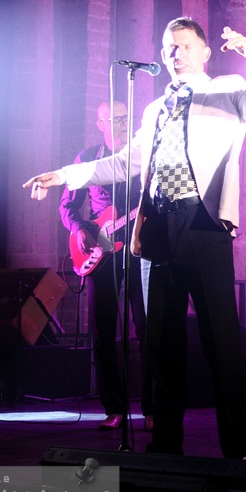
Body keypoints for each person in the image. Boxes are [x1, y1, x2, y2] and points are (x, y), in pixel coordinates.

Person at [23, 17, 246, 458]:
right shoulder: (154, 109)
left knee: (220, 341)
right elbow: (123, 163)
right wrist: (63, 176)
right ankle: (165, 450)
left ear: (204, 52)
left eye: (184, 46)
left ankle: (235, 454)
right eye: (169, 48)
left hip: (203, 225)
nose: (176, 54)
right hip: (157, 230)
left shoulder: (226, 88)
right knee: (160, 344)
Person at [59, 99, 152, 431]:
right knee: (103, 332)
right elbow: (67, 206)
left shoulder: (145, 157)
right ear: (99, 124)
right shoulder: (87, 159)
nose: (119, 124)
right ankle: (114, 409)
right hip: (101, 252)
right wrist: (81, 228)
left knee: (147, 329)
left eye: (125, 118)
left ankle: (153, 410)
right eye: (111, 119)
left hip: (140, 248)